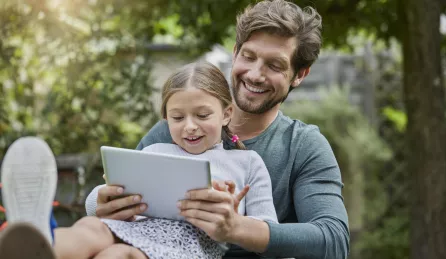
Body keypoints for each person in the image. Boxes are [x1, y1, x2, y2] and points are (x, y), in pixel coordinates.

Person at [86, 0, 350, 258]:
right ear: (235, 52)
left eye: (274, 65)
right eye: (248, 56)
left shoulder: (303, 145)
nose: (255, 74)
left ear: (300, 74)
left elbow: (333, 240)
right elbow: (121, 196)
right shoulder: (171, 131)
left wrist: (238, 229)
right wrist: (102, 204)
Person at [0, 61, 278, 259]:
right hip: (134, 224)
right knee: (90, 227)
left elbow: (271, 236)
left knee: (119, 254)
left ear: (227, 114)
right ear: (166, 118)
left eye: (202, 116)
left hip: (186, 244)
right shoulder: (155, 151)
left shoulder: (247, 163)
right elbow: (98, 200)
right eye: (177, 118)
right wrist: (102, 199)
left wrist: (234, 219)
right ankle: (35, 246)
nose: (189, 126)